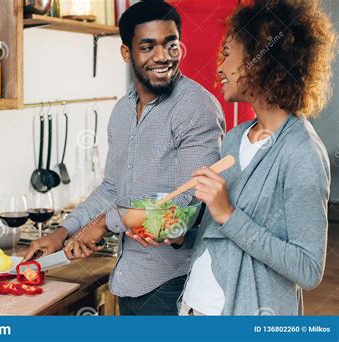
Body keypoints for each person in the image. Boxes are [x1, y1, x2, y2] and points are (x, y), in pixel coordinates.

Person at [24, 0, 225, 315]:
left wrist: (103, 224)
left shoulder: (195, 107)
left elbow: (187, 205)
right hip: (128, 278)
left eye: (170, 46)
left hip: (174, 282)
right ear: (126, 53)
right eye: (147, 47)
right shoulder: (121, 111)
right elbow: (111, 188)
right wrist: (64, 231)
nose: (162, 57)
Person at [175, 0, 336, 315]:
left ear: (260, 60)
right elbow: (219, 234)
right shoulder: (235, 139)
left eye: (228, 53)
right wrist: (181, 236)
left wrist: (228, 214)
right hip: (193, 308)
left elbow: (308, 268)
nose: (219, 68)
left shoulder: (301, 153)